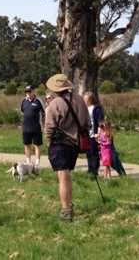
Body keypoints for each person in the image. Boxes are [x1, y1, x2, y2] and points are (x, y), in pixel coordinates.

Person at [43, 73, 90, 222]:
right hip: (75, 145)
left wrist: (49, 142)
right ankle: (69, 204)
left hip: (60, 144)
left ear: (55, 88)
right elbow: (87, 123)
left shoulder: (55, 104)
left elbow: (49, 128)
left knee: (63, 176)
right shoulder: (80, 100)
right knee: (66, 175)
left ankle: (66, 210)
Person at [20, 85, 45, 167]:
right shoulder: (23, 101)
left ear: (33, 91)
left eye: (29, 91)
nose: (28, 93)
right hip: (26, 128)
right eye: (26, 92)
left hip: (36, 127)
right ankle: (28, 162)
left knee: (37, 145)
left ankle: (37, 163)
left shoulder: (38, 101)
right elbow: (23, 111)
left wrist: (44, 125)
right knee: (27, 145)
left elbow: (44, 113)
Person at [83, 91, 104, 176]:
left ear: (90, 99)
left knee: (94, 153)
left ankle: (95, 171)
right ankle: (90, 169)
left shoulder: (96, 108)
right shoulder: (85, 108)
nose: (84, 99)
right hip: (86, 134)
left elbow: (100, 121)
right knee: (88, 153)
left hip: (94, 135)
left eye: (85, 98)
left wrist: (98, 133)